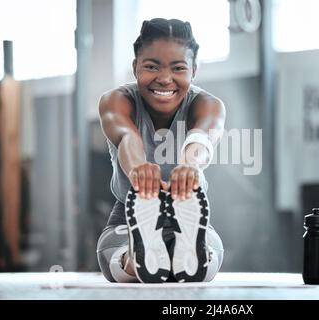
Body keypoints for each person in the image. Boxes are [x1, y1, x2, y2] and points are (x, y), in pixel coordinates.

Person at [96, 18, 226, 283]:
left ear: (194, 70)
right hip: (130, 211)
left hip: (189, 208)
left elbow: (202, 139)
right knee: (113, 259)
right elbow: (126, 137)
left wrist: (190, 165)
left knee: (205, 263)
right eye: (152, 67)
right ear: (135, 68)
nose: (165, 79)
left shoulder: (207, 104)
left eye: (178, 68)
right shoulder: (116, 101)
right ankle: (136, 256)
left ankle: (184, 251)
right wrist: (138, 169)